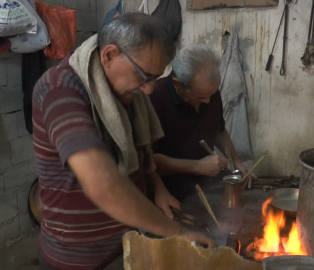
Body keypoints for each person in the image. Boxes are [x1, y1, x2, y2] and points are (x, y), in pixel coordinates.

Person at [32, 14, 215, 270]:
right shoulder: (61, 91)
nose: (149, 90)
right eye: (144, 76)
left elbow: (141, 152)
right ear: (109, 55)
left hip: (125, 246)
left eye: (154, 78)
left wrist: (157, 188)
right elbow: (102, 184)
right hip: (76, 260)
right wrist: (177, 233)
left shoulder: (126, 92)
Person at [149, 45, 255, 201]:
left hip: (207, 187)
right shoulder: (155, 98)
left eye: (211, 95)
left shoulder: (210, 93)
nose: (207, 101)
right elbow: (149, 160)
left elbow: (219, 131)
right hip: (168, 192)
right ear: (178, 85)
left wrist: (236, 161)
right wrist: (197, 166)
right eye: (200, 97)